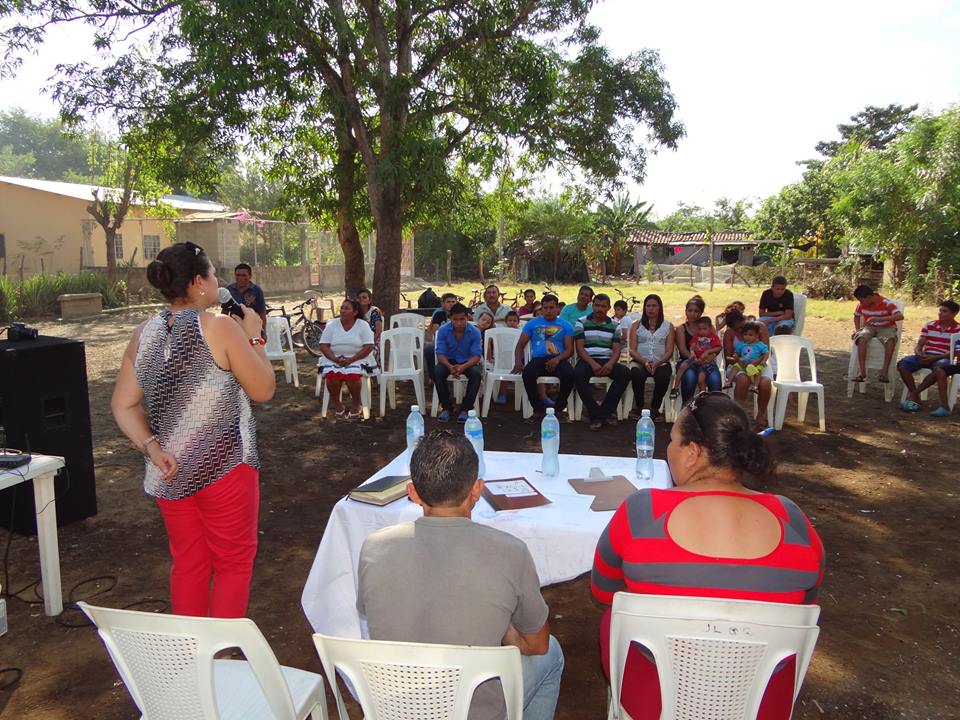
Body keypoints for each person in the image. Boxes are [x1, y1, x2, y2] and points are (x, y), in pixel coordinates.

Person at [591, 391, 825, 720]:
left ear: (692, 453)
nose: (668, 449)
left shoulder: (642, 511)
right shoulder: (793, 518)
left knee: (612, 619)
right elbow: (807, 599)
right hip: (761, 703)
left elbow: (604, 591)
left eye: (672, 439)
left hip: (654, 703)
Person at [111, 242, 276, 619]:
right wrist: (254, 336)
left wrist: (152, 449)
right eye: (215, 273)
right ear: (199, 283)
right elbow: (264, 390)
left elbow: (122, 405)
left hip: (169, 471)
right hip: (226, 468)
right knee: (233, 563)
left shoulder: (143, 333)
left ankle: (192, 661)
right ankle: (220, 660)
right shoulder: (219, 327)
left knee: (188, 563)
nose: (220, 280)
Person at [357, 430, 564, 720]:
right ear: (477, 490)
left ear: (413, 492)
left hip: (396, 707)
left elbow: (375, 614)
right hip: (473, 711)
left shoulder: (373, 547)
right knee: (552, 654)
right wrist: (501, 622)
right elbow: (537, 644)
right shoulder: (511, 552)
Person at [573, 293, 631, 430]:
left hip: (606, 359)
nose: (599, 309)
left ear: (608, 308)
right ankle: (598, 414)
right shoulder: (581, 322)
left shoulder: (615, 325)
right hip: (587, 359)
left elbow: (617, 349)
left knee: (625, 374)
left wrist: (610, 363)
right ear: (592, 306)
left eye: (603, 306)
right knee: (578, 374)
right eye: (597, 305)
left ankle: (601, 413)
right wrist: (592, 363)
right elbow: (580, 348)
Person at [513, 294, 575, 420]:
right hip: (538, 360)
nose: (548, 311)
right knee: (528, 374)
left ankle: (558, 409)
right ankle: (538, 409)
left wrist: (557, 359)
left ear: (557, 308)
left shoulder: (566, 325)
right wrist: (518, 362)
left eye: (551, 308)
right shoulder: (533, 324)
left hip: (559, 359)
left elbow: (569, 350)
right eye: (545, 308)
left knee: (569, 375)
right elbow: (520, 345)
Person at [317, 298, 375, 421]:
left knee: (353, 377)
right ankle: (338, 406)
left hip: (358, 358)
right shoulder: (332, 324)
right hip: (334, 359)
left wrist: (351, 359)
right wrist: (335, 359)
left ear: (355, 312)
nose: (343, 310)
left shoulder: (363, 325)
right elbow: (323, 345)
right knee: (332, 377)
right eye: (342, 308)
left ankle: (355, 406)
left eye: (347, 308)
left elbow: (369, 346)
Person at [899, 299, 960, 415]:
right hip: (926, 355)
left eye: (944, 311)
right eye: (940, 310)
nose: (940, 313)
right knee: (903, 364)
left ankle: (913, 394)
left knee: (940, 368)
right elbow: (921, 343)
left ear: (954, 314)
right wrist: (918, 351)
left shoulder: (958, 330)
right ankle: (915, 395)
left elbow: (955, 353)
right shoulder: (930, 325)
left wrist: (934, 358)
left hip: (943, 357)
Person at [723, 309, 774, 429]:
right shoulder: (729, 334)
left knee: (765, 383)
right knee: (743, 379)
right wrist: (737, 359)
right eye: (737, 329)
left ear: (744, 319)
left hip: (759, 363)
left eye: (741, 327)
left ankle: (760, 415)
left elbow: (766, 352)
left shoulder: (760, 327)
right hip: (739, 365)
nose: (740, 331)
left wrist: (755, 363)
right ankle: (739, 414)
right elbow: (728, 356)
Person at [627, 294, 674, 421]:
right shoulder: (636, 325)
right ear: (644, 308)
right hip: (640, 361)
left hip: (661, 362)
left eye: (654, 306)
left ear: (660, 308)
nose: (651, 309)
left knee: (663, 376)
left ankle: (655, 409)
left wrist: (658, 363)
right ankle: (639, 407)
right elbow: (632, 349)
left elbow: (669, 351)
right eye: (648, 306)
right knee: (636, 374)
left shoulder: (668, 326)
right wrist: (645, 361)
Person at [434, 303, 483, 422]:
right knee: (438, 372)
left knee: (476, 374)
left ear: (467, 318)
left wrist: (463, 367)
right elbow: (440, 354)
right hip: (448, 361)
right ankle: (446, 407)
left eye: (462, 319)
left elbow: (476, 356)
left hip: (468, 362)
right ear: (450, 318)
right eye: (455, 319)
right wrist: (450, 366)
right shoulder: (443, 330)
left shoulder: (475, 332)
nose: (459, 322)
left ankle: (466, 409)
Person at [850, 284, 904, 383]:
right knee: (861, 338)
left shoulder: (886, 303)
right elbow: (856, 316)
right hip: (870, 327)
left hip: (886, 326)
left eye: (862, 300)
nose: (860, 303)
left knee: (890, 340)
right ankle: (862, 372)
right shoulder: (861, 305)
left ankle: (884, 372)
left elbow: (900, 316)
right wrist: (858, 329)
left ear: (869, 297)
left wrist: (880, 318)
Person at [674, 296, 720, 401]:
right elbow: (682, 349)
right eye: (690, 310)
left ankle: (715, 406)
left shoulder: (709, 327)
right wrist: (694, 358)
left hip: (706, 361)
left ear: (701, 313)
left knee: (714, 379)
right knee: (690, 377)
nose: (693, 314)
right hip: (687, 360)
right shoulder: (681, 329)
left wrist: (711, 355)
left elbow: (716, 346)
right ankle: (687, 407)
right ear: (685, 311)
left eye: (696, 311)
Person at [425, 292, 458, 382]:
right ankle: (434, 377)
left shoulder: (460, 314)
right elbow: (436, 331)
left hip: (459, 342)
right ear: (442, 304)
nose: (451, 304)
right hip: (442, 342)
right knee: (429, 348)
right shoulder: (439, 314)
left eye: (453, 302)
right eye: (448, 302)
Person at [227, 262, 267, 335]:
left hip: (252, 329)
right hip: (234, 329)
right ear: (235, 275)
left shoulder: (257, 291)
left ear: (250, 276)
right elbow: (225, 311)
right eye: (238, 275)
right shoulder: (229, 290)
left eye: (244, 275)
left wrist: (263, 332)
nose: (240, 278)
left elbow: (262, 313)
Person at [732, 321, 769, 392]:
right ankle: (728, 382)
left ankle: (755, 386)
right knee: (735, 367)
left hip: (756, 364)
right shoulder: (741, 344)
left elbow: (766, 353)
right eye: (745, 334)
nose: (747, 337)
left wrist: (763, 360)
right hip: (744, 364)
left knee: (758, 372)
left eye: (750, 335)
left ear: (757, 335)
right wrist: (735, 356)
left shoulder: (760, 344)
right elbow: (737, 352)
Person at [356, 287, 383, 367]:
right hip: (360, 341)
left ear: (369, 300)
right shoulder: (355, 313)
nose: (361, 299)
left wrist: (370, 343)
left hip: (374, 341)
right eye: (359, 298)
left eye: (364, 297)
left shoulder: (374, 311)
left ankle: (372, 372)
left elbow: (378, 331)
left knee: (371, 352)